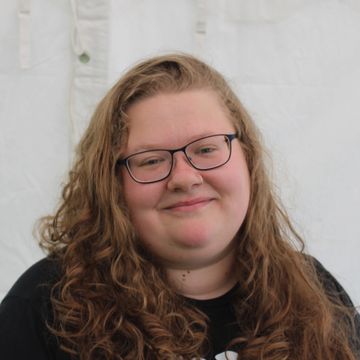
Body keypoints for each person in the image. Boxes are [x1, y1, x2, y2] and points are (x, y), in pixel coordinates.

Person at [0, 53, 359, 360]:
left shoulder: (316, 296)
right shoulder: (44, 309)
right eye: (151, 160)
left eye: (206, 149)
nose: (184, 178)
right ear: (111, 184)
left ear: (247, 158)